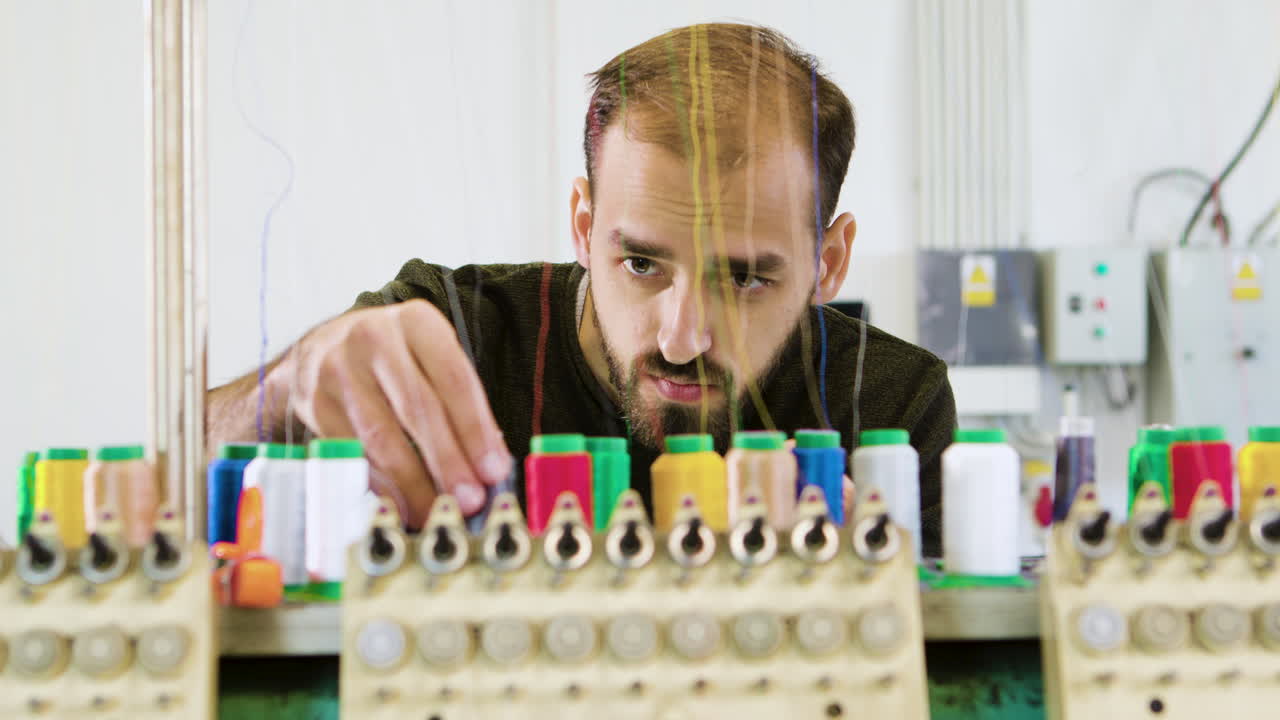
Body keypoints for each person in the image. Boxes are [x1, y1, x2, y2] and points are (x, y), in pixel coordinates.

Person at [207, 23, 956, 557]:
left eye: (746, 277)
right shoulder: (448, 333)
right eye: (642, 265)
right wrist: (286, 385)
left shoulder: (889, 401)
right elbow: (184, 452)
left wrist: (878, 601)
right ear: (583, 226)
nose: (680, 337)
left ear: (829, 261)